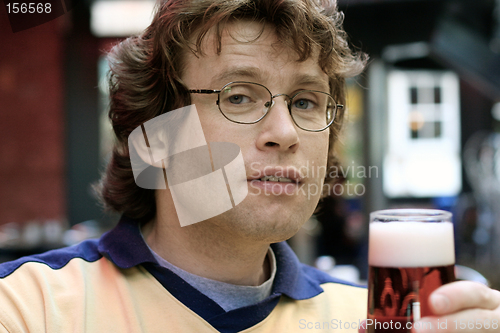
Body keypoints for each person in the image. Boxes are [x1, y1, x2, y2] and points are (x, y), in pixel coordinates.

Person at [0, 0, 499, 332]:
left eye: (306, 102)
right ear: (151, 139)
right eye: (238, 97)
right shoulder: (31, 309)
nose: (284, 133)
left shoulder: (369, 319)